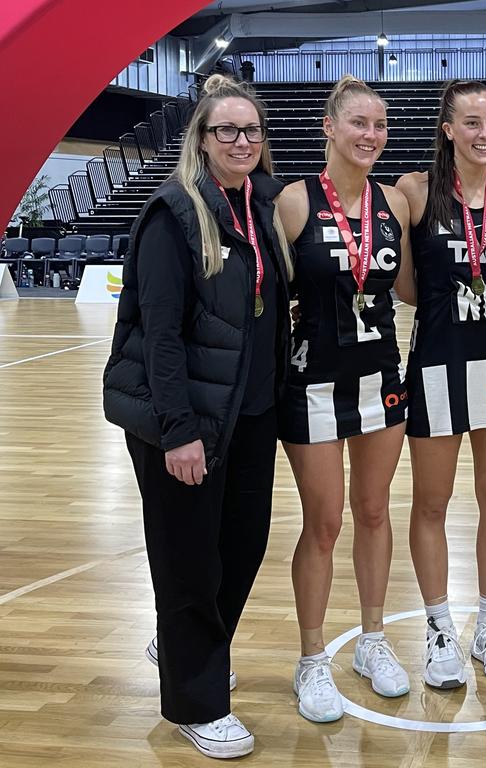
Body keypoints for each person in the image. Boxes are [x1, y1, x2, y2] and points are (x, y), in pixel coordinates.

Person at [102, 74, 293, 759]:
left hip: (249, 414)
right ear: (203, 140)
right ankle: (196, 702)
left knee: (240, 547)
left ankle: (186, 647)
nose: (242, 141)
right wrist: (178, 430)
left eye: (251, 130)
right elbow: (158, 334)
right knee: (188, 562)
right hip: (185, 421)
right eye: (227, 130)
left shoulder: (262, 206)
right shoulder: (173, 213)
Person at [274, 75, 414, 721]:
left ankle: (373, 640)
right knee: (325, 524)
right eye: (359, 123)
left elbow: (409, 288)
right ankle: (311, 659)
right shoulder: (294, 202)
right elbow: (267, 298)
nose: (371, 135)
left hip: (380, 378)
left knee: (376, 512)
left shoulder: (395, 204)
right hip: (314, 385)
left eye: (380, 125)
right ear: (328, 128)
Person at [396, 80, 486, 688]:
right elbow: (402, 284)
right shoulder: (414, 192)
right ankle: (436, 630)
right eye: (472, 123)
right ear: (448, 129)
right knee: (432, 502)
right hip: (435, 362)